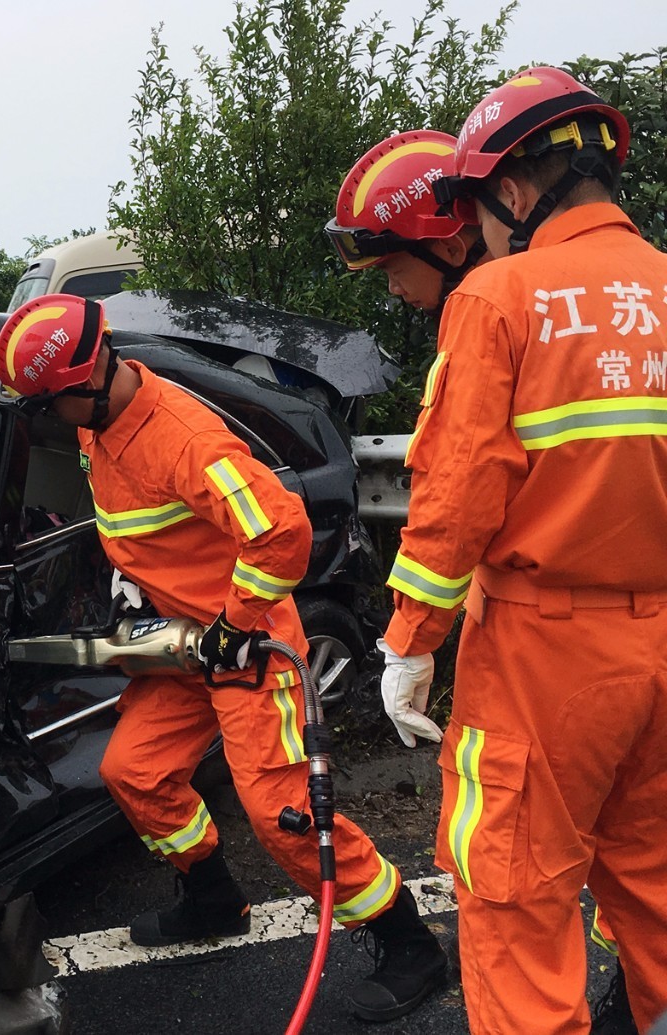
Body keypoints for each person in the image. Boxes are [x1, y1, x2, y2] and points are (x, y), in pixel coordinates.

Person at [0, 293, 447, 1022]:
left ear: (82, 384)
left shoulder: (180, 437)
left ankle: (408, 941)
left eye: (47, 406)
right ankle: (210, 897)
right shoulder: (97, 425)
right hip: (186, 643)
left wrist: (235, 623)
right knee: (133, 772)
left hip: (249, 645)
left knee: (283, 813)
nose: (47, 420)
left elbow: (281, 531)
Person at [377, 66, 667, 1033]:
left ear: (510, 190)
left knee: (513, 900)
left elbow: (456, 495)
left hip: (546, 658)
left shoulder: (501, 297)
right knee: (660, 891)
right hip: (661, 654)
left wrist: (411, 643)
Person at [325, 129, 487, 314]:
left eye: (395, 272)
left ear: (451, 249)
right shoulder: (520, 292)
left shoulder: (480, 319)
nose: (393, 288)